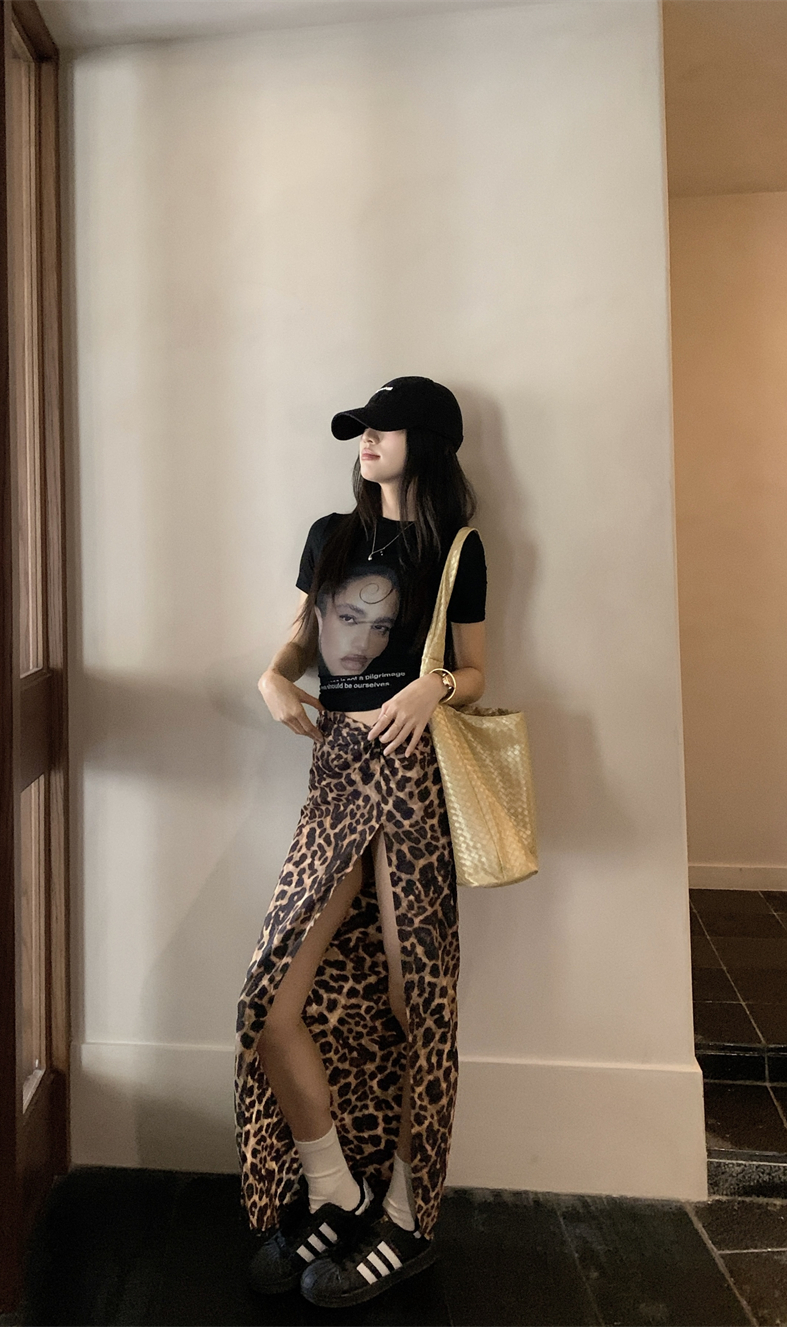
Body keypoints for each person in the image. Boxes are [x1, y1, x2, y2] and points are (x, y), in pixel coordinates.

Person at [235, 376, 487, 1309]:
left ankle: (410, 1217)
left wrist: (435, 687)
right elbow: (298, 641)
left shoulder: (456, 548)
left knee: (416, 998)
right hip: (337, 773)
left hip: (415, 778)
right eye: (361, 431)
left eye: (383, 428)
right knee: (270, 997)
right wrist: (272, 677)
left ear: (429, 441)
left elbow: (475, 668)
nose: (366, 441)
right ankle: (335, 1189)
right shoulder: (331, 536)